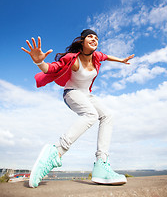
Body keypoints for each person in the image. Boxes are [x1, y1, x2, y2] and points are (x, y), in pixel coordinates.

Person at [21, 29, 134, 188]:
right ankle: (57, 151)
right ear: (82, 41)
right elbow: (52, 68)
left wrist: (121, 60)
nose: (94, 39)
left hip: (86, 94)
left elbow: (107, 57)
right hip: (71, 93)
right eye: (90, 36)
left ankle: (101, 164)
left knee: (108, 115)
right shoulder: (72, 59)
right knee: (91, 115)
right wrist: (39, 62)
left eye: (96, 38)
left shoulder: (97, 56)